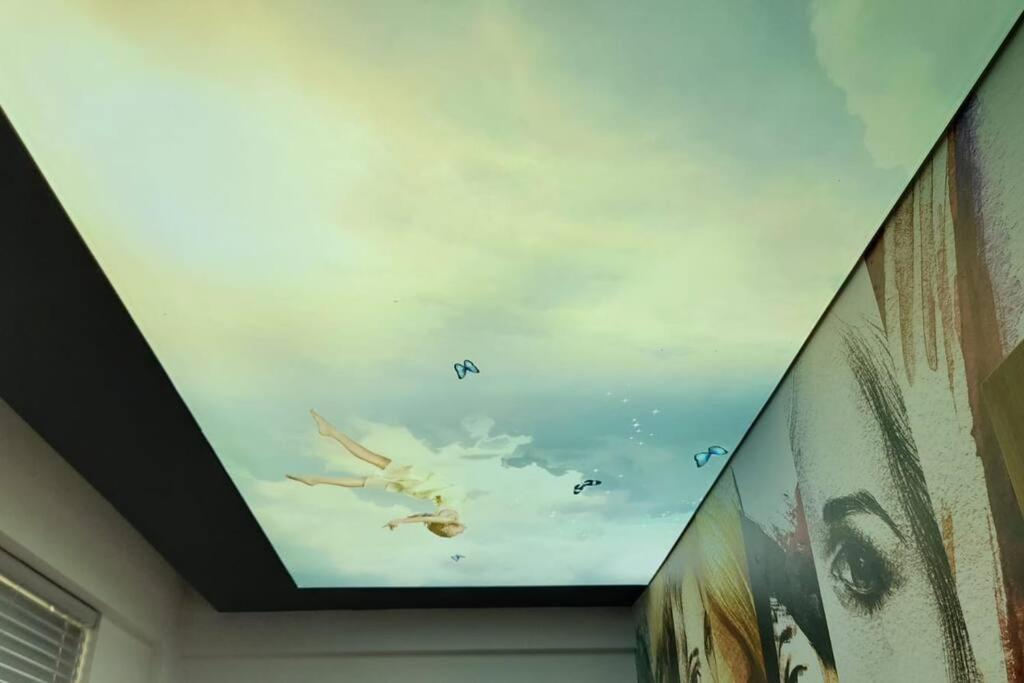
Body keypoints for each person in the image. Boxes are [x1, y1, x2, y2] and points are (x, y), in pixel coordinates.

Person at [287, 410, 465, 539]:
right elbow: (429, 518)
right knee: (364, 481)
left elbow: (429, 518)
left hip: (420, 481)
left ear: (446, 526)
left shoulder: (447, 517)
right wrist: (405, 520)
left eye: (453, 531)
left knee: (375, 461)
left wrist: (402, 521)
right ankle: (316, 479)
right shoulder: (449, 516)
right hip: (422, 486)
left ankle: (332, 433)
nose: (459, 529)